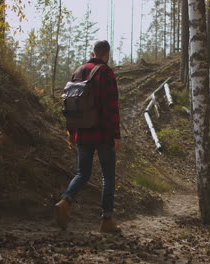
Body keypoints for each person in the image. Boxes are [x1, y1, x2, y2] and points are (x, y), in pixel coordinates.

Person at [55, 40, 122, 233]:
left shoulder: (78, 71)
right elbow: (111, 108)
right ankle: (107, 220)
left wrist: (71, 131)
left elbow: (71, 104)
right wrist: (116, 135)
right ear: (107, 54)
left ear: (93, 53)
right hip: (102, 133)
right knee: (108, 176)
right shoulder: (106, 73)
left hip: (82, 131)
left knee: (82, 173)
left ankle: (65, 202)